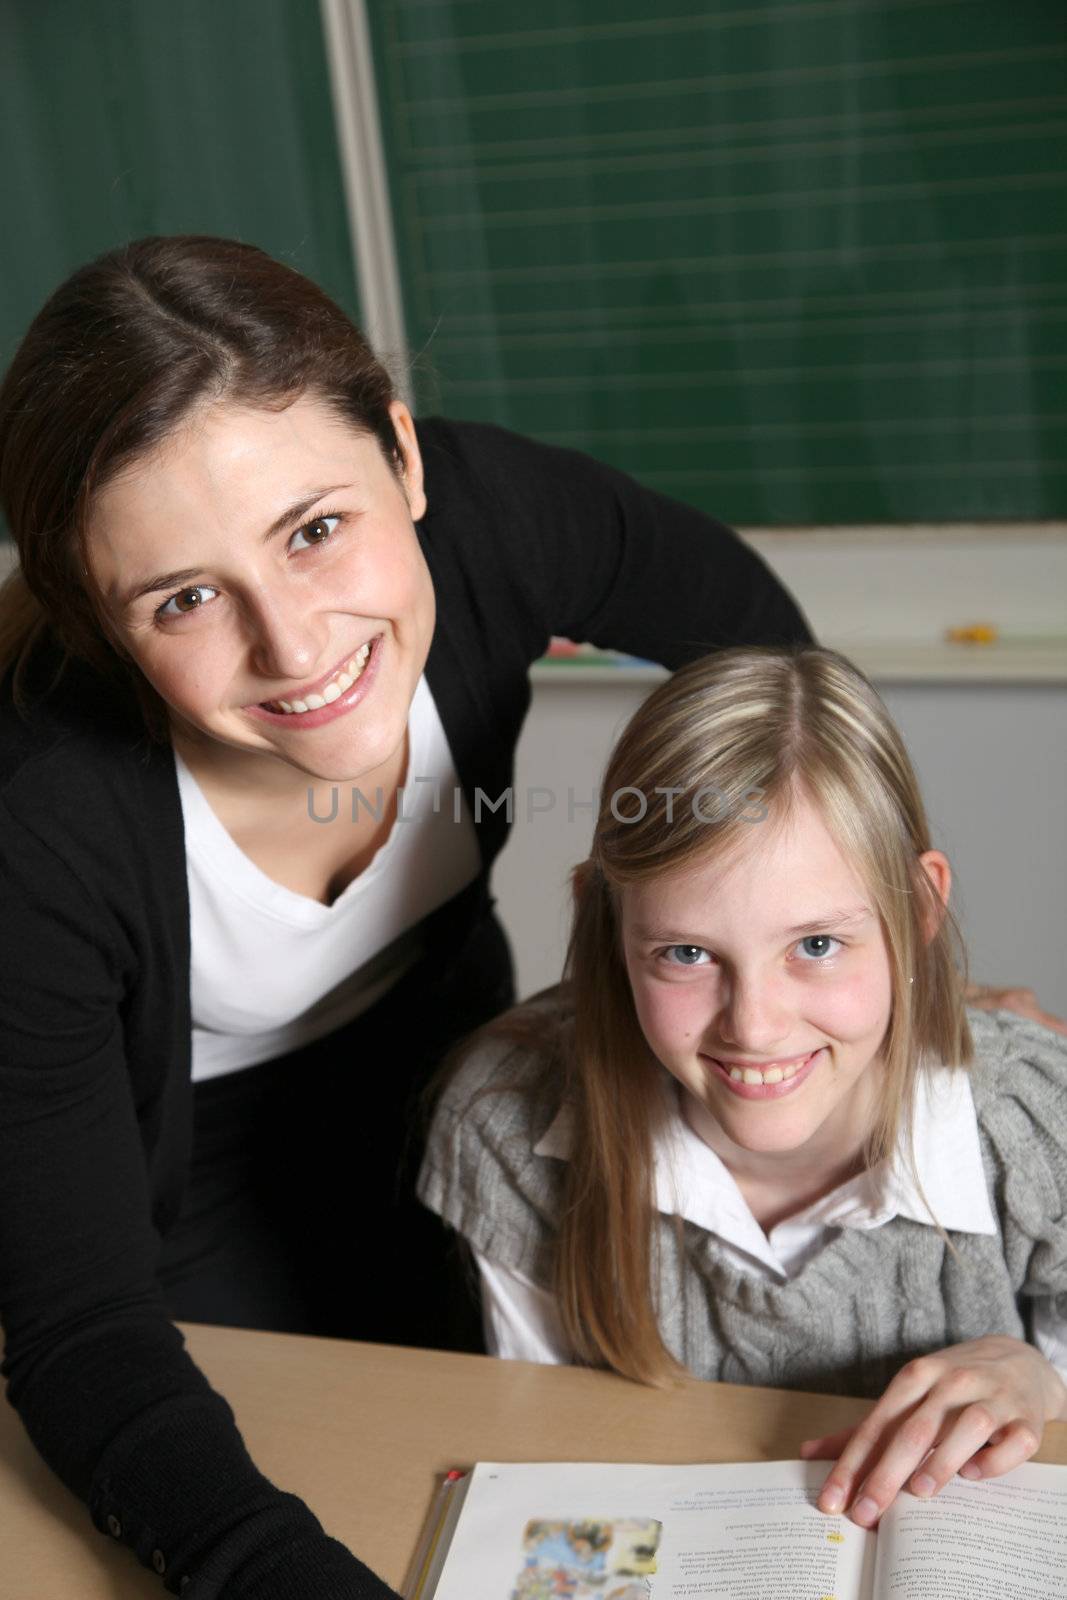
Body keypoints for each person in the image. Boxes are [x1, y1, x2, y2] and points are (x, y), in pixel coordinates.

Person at [0, 235, 818, 1598]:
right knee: (320, 1466)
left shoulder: (495, 518)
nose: (297, 647)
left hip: (459, 1066)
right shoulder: (41, 828)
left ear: (401, 453)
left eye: (315, 529)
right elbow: (84, 1332)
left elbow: (758, 648)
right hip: (187, 1168)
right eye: (186, 599)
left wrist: (840, 935)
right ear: (100, 622)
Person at [420, 645, 1067, 1531]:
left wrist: (1041, 1375)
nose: (753, 1027)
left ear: (917, 913)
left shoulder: (1035, 1127)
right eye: (686, 954)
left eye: (814, 945)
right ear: (608, 930)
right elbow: (549, 1454)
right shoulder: (509, 1129)